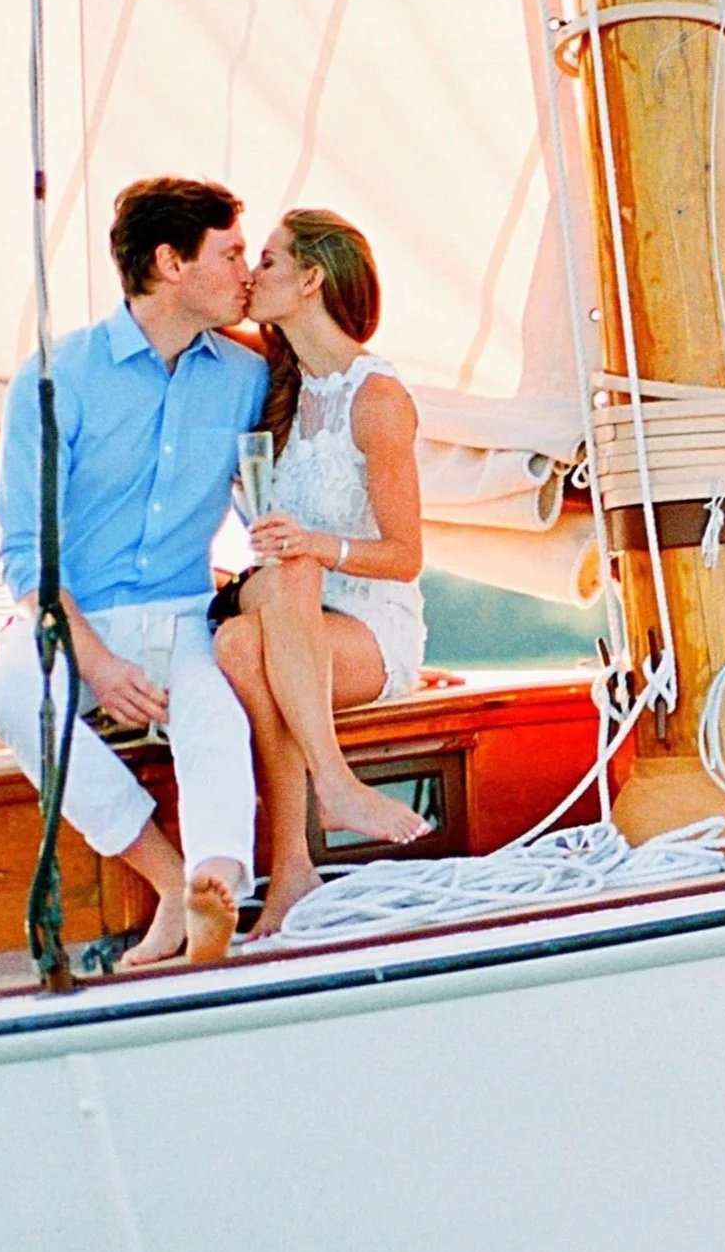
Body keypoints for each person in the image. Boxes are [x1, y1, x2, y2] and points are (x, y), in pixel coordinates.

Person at [0, 178, 266, 966]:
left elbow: (268, 503)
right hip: (72, 617)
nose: (246, 273)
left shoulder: (246, 377)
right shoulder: (57, 376)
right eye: (231, 254)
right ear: (172, 263)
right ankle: (173, 884)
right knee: (12, 693)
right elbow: (25, 554)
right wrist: (98, 666)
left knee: (214, 718)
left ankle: (217, 891)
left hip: (184, 613)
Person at [214, 209, 432, 941]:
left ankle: (295, 862)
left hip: (368, 624)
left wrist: (315, 544)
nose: (252, 275)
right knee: (275, 600)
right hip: (286, 598)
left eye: (268, 261)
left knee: (247, 639)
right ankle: (326, 801)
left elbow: (405, 554)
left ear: (311, 279)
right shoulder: (272, 382)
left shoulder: (378, 401)